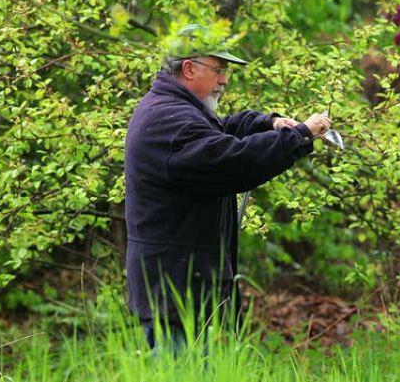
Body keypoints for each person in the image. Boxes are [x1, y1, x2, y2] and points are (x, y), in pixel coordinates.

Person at [124, 24, 331, 351]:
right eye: (218, 70)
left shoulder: (173, 109)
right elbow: (232, 162)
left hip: (180, 282)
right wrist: (300, 135)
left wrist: (269, 122)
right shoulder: (171, 119)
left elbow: (220, 130)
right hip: (174, 288)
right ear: (189, 68)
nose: (224, 80)